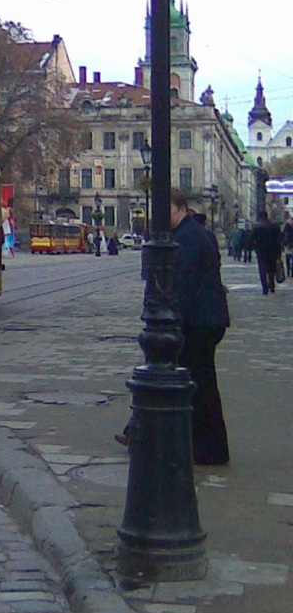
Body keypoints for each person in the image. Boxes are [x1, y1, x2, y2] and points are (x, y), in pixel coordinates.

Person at [117, 189, 230, 466]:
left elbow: (183, 285)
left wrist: (172, 323)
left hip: (198, 321)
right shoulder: (194, 233)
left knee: (197, 386)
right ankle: (202, 447)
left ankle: (206, 451)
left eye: (163, 210)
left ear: (179, 207)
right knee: (200, 383)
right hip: (207, 319)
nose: (158, 217)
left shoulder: (186, 238)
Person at [250, 210, 283, 294]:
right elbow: (280, 239)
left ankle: (265, 287)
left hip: (261, 251)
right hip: (273, 250)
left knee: (262, 269)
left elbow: (251, 239)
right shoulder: (274, 227)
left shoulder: (256, 227)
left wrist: (254, 247)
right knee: (271, 269)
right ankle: (272, 286)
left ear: (260, 217)